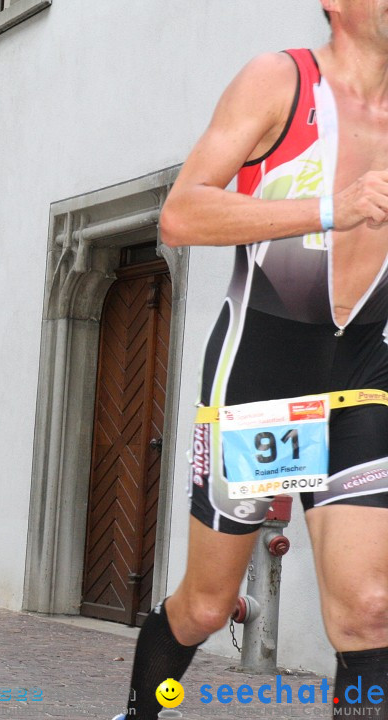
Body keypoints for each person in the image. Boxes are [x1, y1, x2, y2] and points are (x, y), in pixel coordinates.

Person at [115, 6, 388, 719]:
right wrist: (333, 209)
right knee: (205, 609)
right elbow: (182, 214)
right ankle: (149, 707)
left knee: (370, 608)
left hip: (363, 377)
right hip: (266, 381)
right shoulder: (281, 81)